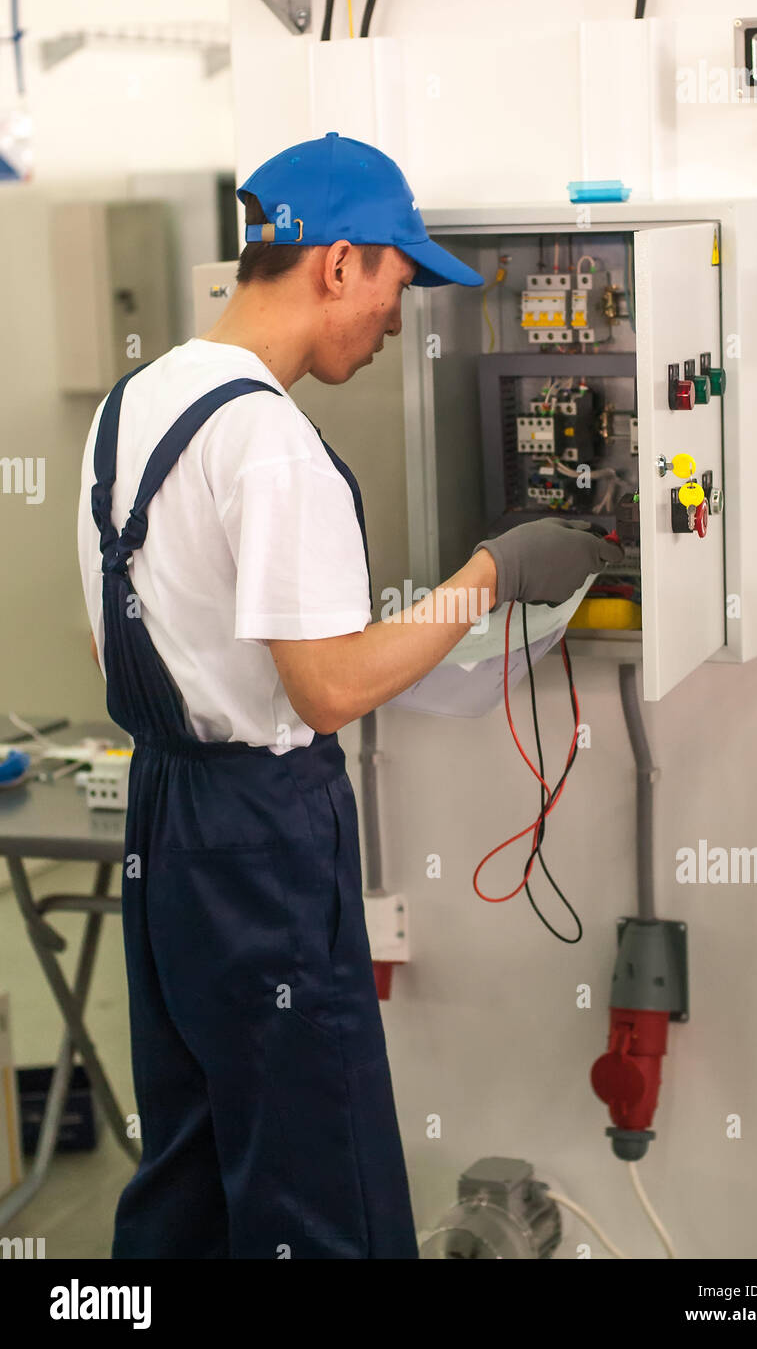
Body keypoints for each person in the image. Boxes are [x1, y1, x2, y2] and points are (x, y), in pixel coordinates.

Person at [77, 131, 621, 1260]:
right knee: (320, 1183)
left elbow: (128, 650)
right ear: (335, 263)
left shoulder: (131, 406)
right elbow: (325, 690)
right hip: (263, 841)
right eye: (395, 278)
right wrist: (494, 574)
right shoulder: (270, 442)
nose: (398, 316)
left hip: (165, 821)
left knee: (188, 1167)